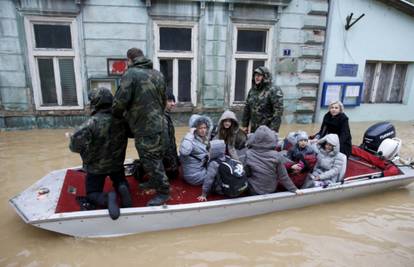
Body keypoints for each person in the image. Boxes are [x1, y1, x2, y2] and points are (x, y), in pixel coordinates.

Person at [112, 48, 169, 206]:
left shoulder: (131, 74)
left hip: (144, 125)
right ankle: (153, 181)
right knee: (149, 156)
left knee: (151, 158)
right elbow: (164, 100)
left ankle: (163, 191)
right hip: (159, 122)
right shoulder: (158, 74)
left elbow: (120, 102)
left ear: (129, 60)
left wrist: (115, 115)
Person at [69, 87, 132, 220]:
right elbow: (133, 133)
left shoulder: (90, 124)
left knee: (92, 192)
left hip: (96, 168)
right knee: (119, 179)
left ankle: (106, 197)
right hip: (117, 164)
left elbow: (74, 147)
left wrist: (72, 138)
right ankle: (122, 188)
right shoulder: (122, 119)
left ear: (95, 103)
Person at [241, 125, 303, 196]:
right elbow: (283, 176)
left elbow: (244, 173)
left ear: (254, 139)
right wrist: (294, 189)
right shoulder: (276, 155)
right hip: (271, 189)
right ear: (271, 139)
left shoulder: (248, 153)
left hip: (254, 190)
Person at [179, 115, 217, 197]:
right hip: (195, 176)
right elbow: (184, 152)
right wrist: (190, 133)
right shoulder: (189, 139)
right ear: (195, 128)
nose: (203, 130)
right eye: (200, 128)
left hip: (198, 169)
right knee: (219, 170)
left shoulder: (201, 138)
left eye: (205, 127)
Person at [241, 66, 284, 134]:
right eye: (255, 75)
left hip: (267, 129)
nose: (256, 77)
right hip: (254, 129)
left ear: (265, 77)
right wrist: (244, 125)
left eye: (259, 75)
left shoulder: (273, 90)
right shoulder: (253, 90)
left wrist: (273, 131)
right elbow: (247, 108)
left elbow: (278, 112)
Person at [162, 91, 180, 180]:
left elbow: (171, 141)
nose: (173, 104)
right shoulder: (161, 118)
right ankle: (142, 168)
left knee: (174, 175)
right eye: (169, 101)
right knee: (173, 176)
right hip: (162, 157)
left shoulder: (166, 115)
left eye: (173, 101)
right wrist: (170, 164)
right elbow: (165, 144)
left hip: (167, 155)